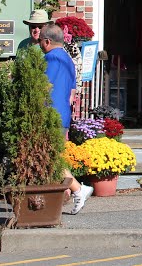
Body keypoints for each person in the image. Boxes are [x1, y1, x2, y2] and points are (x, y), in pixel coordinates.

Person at [36, 22, 92, 214]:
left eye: (40, 41)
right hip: (63, 116)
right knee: (53, 158)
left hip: (51, 115)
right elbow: (71, 92)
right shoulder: (67, 59)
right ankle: (65, 195)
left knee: (51, 158)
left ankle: (77, 189)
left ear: (47, 41)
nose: (39, 45)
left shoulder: (51, 59)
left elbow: (44, 87)